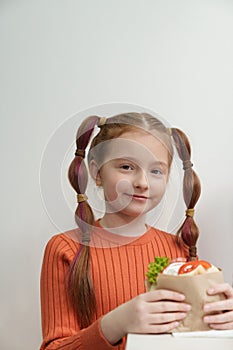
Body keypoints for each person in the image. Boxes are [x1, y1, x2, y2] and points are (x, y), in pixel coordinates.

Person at [40, 112, 233, 350]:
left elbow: (188, 340)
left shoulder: (179, 248)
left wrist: (219, 320)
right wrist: (117, 322)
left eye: (156, 171)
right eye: (126, 166)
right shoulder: (66, 249)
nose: (142, 182)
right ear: (96, 172)